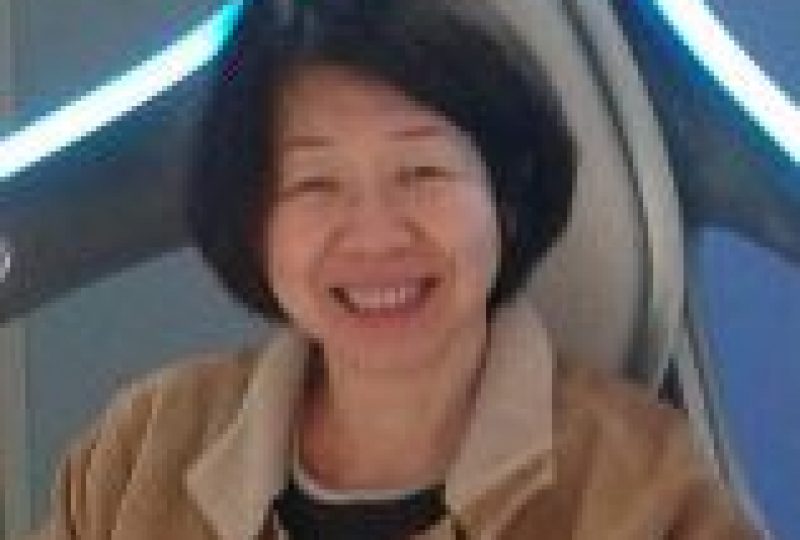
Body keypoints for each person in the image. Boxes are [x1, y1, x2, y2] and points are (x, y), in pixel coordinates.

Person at [31, 1, 759, 538]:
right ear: (253, 220)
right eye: (315, 184)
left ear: (505, 199)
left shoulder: (641, 487)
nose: (375, 236)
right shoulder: (141, 453)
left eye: (421, 172)